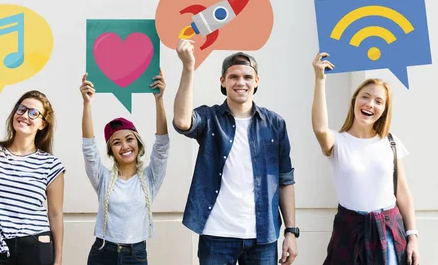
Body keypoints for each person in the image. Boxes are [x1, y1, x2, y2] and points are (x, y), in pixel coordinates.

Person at [173, 40, 298, 265]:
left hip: (262, 237)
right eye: (233, 77)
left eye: (247, 77)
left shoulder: (275, 124)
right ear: (223, 81)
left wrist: (291, 231)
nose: (241, 82)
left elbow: (285, 180)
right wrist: (188, 67)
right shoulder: (210, 119)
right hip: (216, 235)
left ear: (256, 81)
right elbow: (182, 121)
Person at [311, 53, 420, 265]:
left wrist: (412, 236)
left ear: (384, 110)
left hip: (388, 230)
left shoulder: (391, 142)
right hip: (349, 230)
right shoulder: (337, 142)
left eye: (378, 101)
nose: (370, 103)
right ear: (355, 100)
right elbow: (319, 128)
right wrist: (319, 78)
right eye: (365, 96)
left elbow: (403, 192)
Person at [0, 75, 65, 265]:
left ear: (43, 124)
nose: (25, 115)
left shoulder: (51, 164)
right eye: (21, 109)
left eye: (34, 113)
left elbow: (55, 214)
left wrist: (58, 259)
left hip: (37, 245)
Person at [79, 70, 169, 265]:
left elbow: (162, 146)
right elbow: (89, 149)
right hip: (103, 252)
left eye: (129, 139)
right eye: (117, 142)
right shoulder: (102, 178)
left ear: (138, 143)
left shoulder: (150, 178)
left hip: (135, 255)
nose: (125, 146)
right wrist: (87, 103)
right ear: (111, 150)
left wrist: (159, 100)